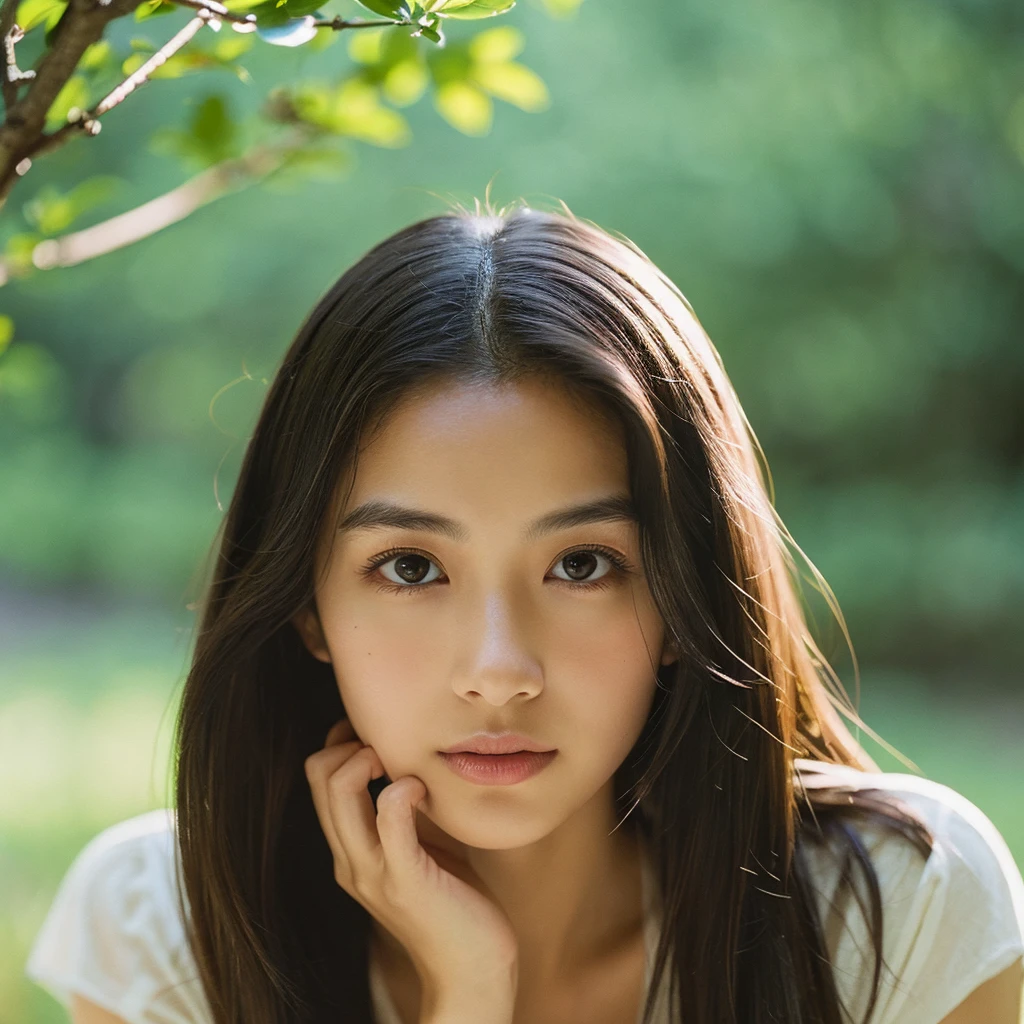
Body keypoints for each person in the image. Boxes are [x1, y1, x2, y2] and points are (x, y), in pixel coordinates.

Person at [25, 199, 1024, 1024]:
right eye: (411, 567)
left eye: (583, 563)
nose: (499, 670)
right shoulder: (166, 930)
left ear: (683, 596)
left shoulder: (896, 913)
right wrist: (466, 997)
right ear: (305, 605)